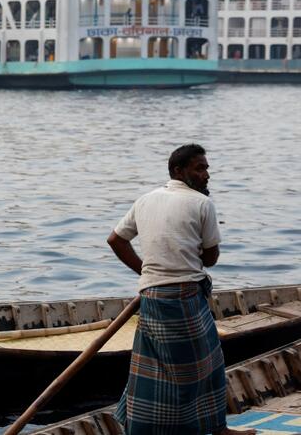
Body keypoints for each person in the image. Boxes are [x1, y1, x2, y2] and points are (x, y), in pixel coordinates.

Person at [107, 144, 255, 435]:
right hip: (184, 297)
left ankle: (213, 427)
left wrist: (148, 273)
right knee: (204, 367)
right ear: (178, 171)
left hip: (151, 297)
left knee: (156, 369)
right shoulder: (202, 204)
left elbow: (116, 240)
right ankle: (215, 428)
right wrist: (161, 268)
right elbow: (211, 259)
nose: (206, 174)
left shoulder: (145, 199)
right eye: (199, 168)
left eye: (207, 168)